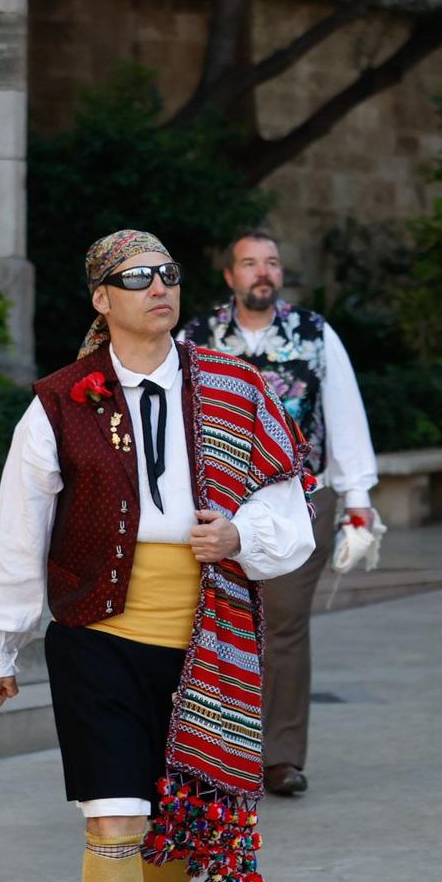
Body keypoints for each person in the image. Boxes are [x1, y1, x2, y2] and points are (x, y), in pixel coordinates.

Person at [0, 230, 314, 882]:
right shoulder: (59, 402)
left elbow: (289, 508)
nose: (159, 288)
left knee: (189, 825)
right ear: (101, 298)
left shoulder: (237, 386)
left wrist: (238, 532)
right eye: (136, 277)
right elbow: (20, 528)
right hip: (98, 637)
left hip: (208, 637)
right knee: (115, 818)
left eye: (168, 274)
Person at [179, 229, 379, 798]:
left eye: (271, 263)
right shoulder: (196, 338)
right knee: (217, 623)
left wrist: (358, 501)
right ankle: (216, 753)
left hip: (302, 500)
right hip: (215, 506)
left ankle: (280, 758)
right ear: (230, 276)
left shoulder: (315, 334)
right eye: (249, 263)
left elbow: (345, 413)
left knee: (284, 622)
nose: (261, 272)